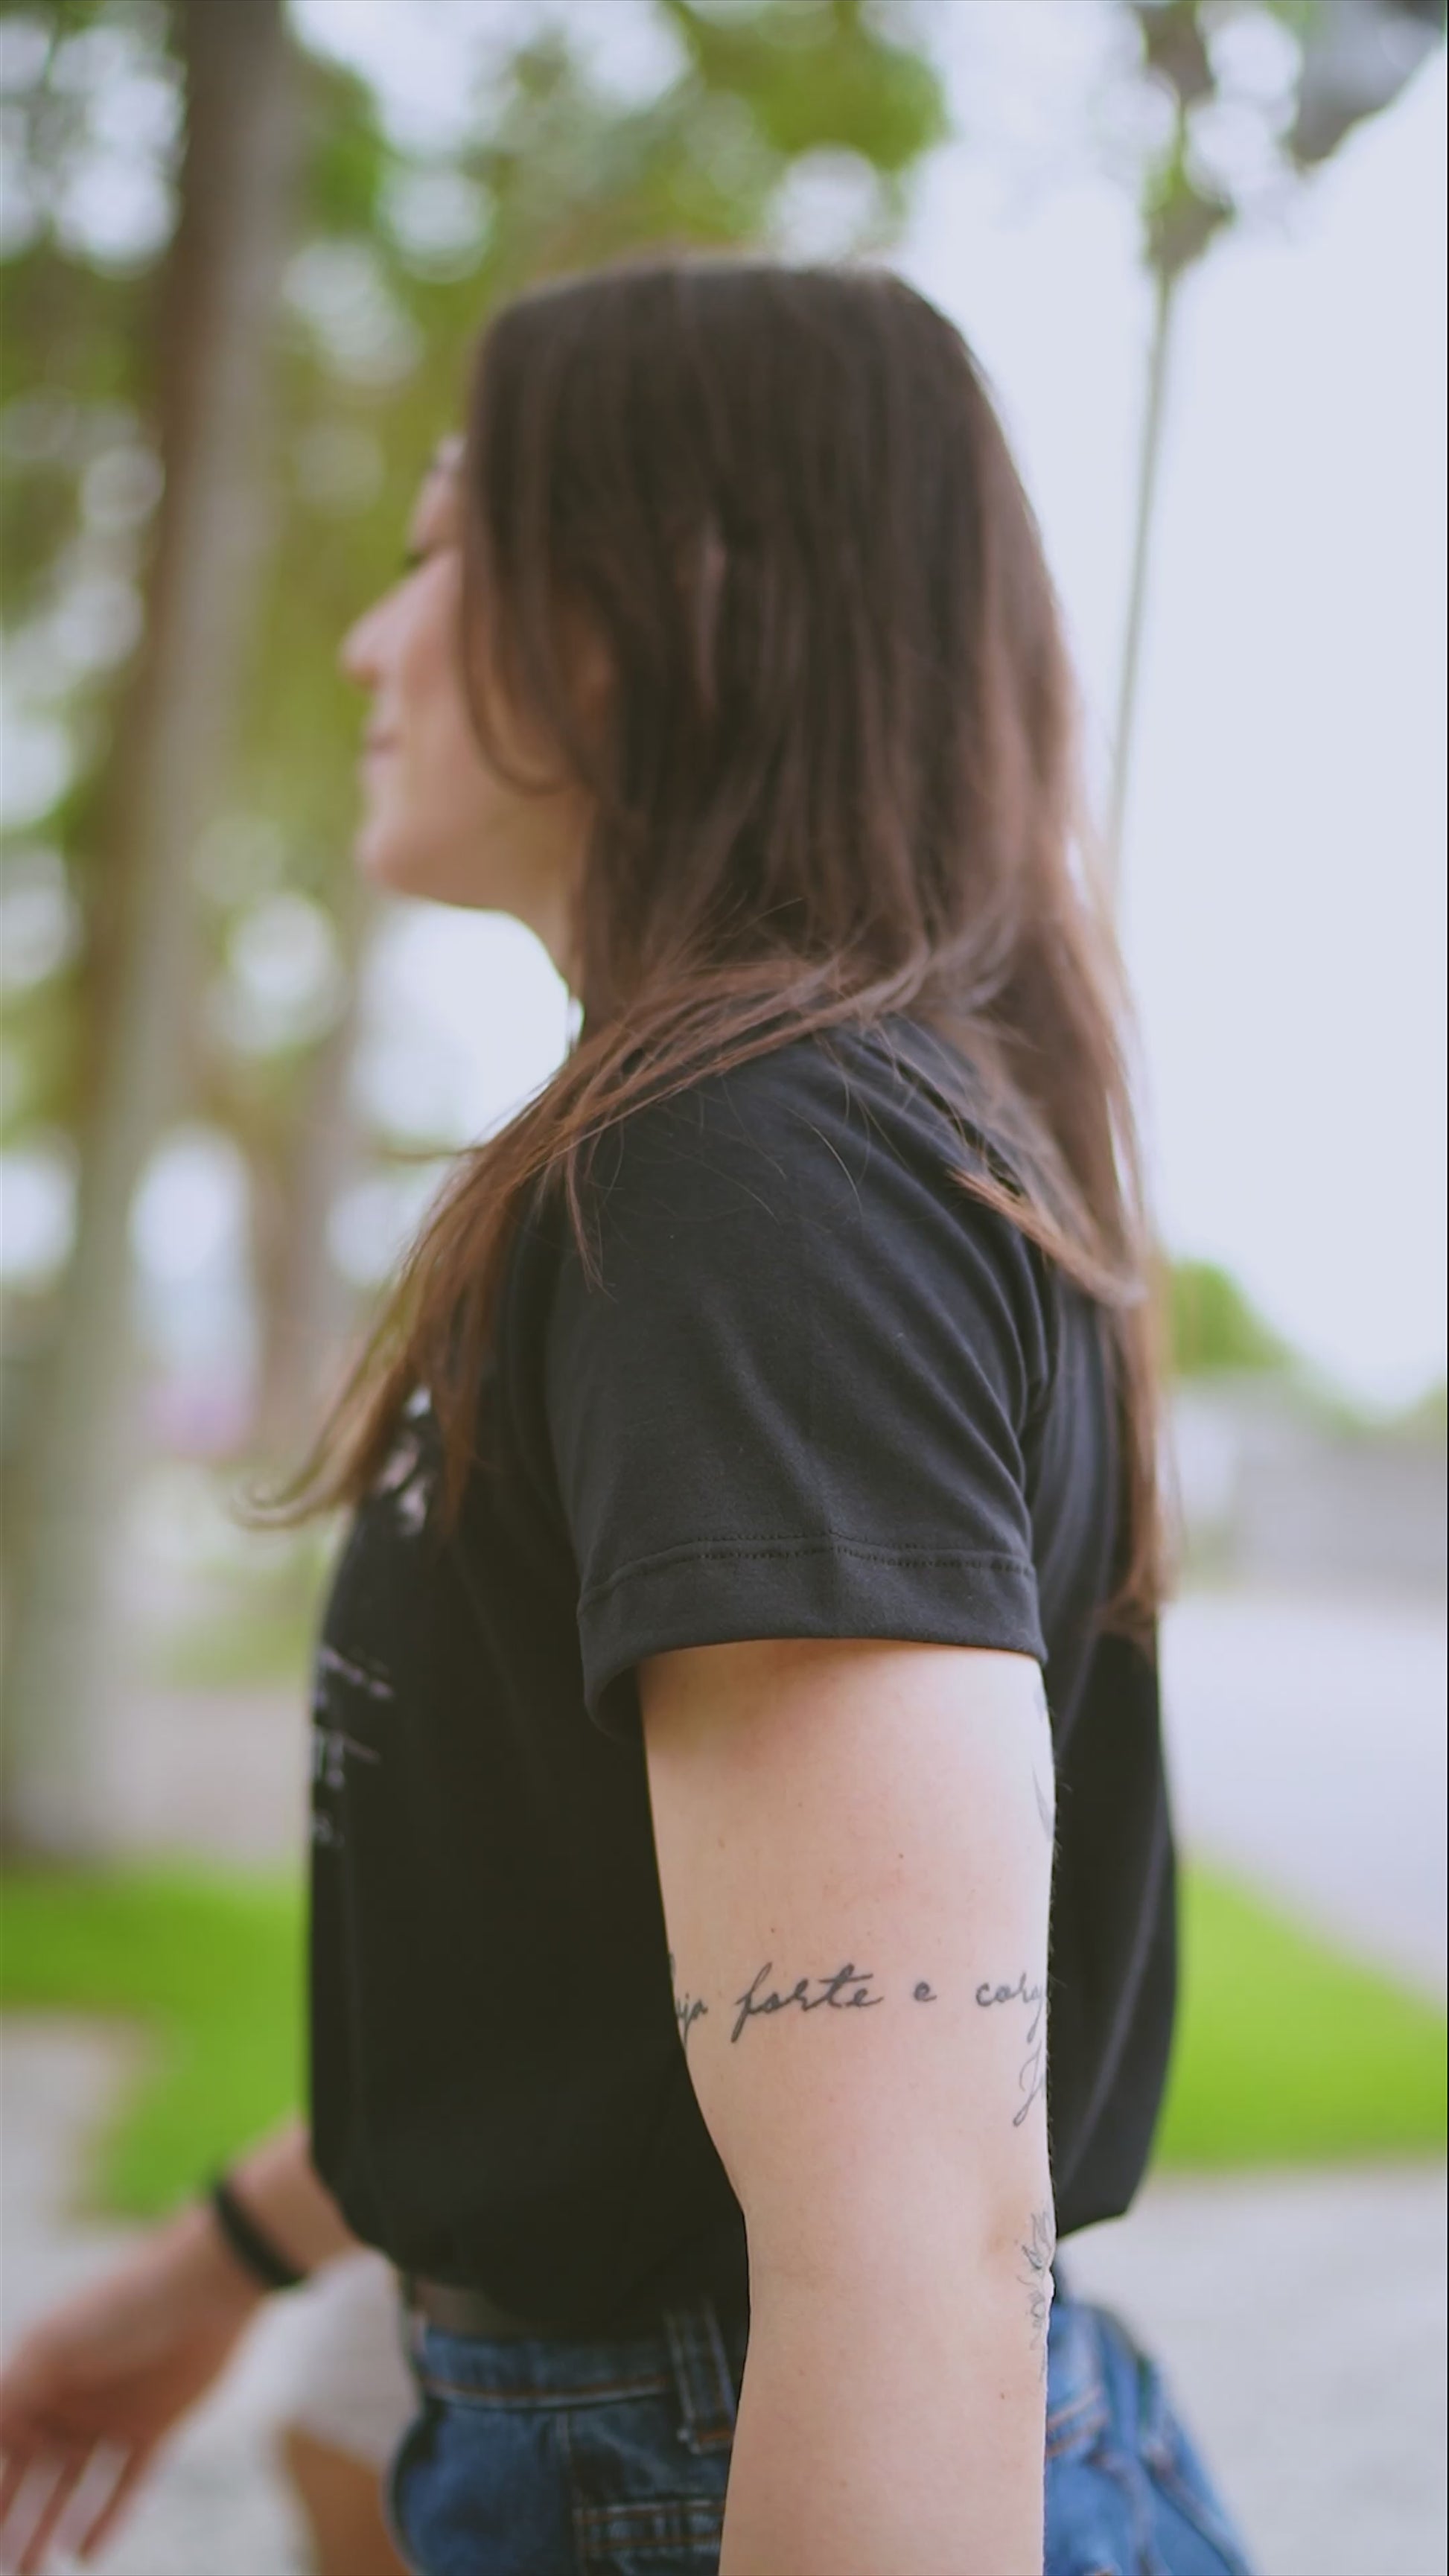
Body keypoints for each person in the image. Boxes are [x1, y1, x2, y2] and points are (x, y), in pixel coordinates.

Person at [0, 257, 1257, 2576]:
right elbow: (592, 1993)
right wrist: (210, 2268)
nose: (368, 644)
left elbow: (902, 2230)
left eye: (436, 550)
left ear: (638, 604)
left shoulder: (755, 1169)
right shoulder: (755, 1146)